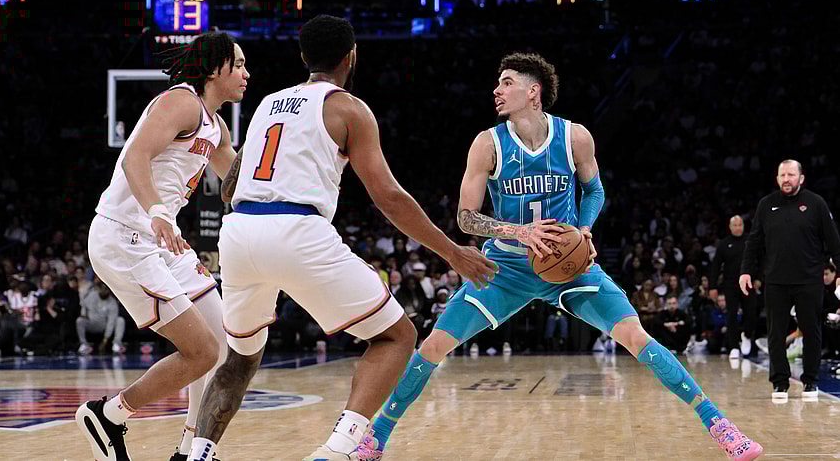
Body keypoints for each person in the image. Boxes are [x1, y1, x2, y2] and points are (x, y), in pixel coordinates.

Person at [357, 52, 762, 461]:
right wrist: (519, 231)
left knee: (637, 337)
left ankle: (721, 427)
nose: (497, 90)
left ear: (533, 92)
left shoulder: (575, 137)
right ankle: (377, 437)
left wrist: (584, 230)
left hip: (568, 266)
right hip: (507, 267)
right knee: (433, 346)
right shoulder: (487, 143)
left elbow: (596, 191)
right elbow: (466, 218)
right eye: (498, 83)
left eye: (507, 82)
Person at [186, 15, 496, 461]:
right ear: (352, 56)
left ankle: (199, 454)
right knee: (396, 337)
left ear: (302, 57)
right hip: (295, 229)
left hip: (238, 232)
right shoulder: (349, 108)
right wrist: (451, 252)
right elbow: (388, 197)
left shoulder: (268, 102)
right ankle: (339, 449)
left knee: (240, 357)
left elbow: (230, 185)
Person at [75, 31, 249, 461]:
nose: (247, 73)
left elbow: (242, 183)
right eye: (239, 64)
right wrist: (156, 210)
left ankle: (190, 449)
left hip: (161, 242)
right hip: (126, 235)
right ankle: (109, 414)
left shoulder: (217, 125)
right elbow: (134, 156)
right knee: (202, 351)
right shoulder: (181, 102)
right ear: (216, 68)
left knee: (222, 344)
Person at [740, 159, 840, 402]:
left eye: (791, 175)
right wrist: (746, 271)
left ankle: (810, 381)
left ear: (801, 178)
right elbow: (754, 242)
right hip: (775, 281)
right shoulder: (767, 204)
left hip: (809, 280)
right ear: (777, 178)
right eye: (782, 175)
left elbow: (834, 241)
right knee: (775, 333)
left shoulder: (816, 204)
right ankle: (780, 383)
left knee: (812, 331)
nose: (786, 179)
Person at [710, 215, 754, 359]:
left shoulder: (751, 240)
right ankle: (734, 346)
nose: (737, 228)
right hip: (730, 284)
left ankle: (747, 336)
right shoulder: (724, 244)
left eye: (740, 225)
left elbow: (762, 259)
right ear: (730, 227)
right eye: (735, 225)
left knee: (750, 314)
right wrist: (713, 286)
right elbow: (716, 266)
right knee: (731, 315)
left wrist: (760, 278)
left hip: (749, 284)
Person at [76, 280, 126, 355]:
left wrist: (105, 339)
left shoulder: (112, 302)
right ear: (99, 289)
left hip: (104, 325)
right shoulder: (92, 295)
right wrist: (83, 313)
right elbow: (83, 304)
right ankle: (84, 345)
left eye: (106, 289)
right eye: (102, 288)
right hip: (92, 323)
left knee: (120, 320)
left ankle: (116, 344)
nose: (104, 291)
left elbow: (111, 322)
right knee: (80, 321)